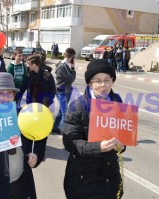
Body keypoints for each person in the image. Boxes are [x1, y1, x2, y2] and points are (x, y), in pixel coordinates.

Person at [63, 59, 126, 199]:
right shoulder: (77, 106)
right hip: (84, 180)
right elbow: (70, 143)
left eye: (107, 79)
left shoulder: (118, 102)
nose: (103, 85)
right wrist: (98, 147)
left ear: (112, 81)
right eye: (97, 80)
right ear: (90, 83)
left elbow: (122, 135)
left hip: (110, 177)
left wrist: (121, 146)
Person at [52, 48, 76, 135]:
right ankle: (66, 133)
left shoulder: (66, 65)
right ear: (72, 56)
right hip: (61, 91)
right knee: (65, 112)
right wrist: (73, 69)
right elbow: (70, 79)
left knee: (61, 111)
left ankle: (55, 127)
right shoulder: (62, 66)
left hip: (67, 90)